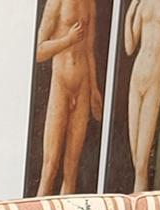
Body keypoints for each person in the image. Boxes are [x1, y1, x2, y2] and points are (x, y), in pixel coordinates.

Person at [34, 0, 103, 195]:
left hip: (83, 85)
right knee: (50, 166)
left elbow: (89, 50)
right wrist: (68, 40)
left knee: (71, 170)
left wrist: (94, 90)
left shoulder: (90, 3)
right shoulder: (56, 2)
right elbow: (38, 52)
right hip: (61, 85)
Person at [124, 0, 160, 190]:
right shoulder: (142, 5)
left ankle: (137, 203)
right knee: (136, 158)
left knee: (141, 162)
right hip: (137, 75)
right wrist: (129, 14)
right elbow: (129, 47)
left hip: (154, 77)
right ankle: (140, 200)